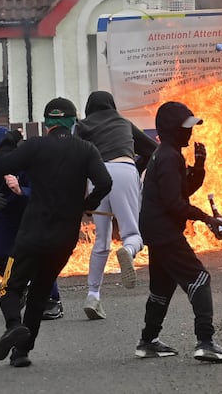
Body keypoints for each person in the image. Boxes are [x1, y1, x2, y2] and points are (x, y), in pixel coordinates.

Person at [0, 97, 112, 367]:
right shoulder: (86, 149)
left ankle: (12, 326)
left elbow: (0, 166)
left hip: (32, 234)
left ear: (47, 124)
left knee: (9, 288)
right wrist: (87, 205)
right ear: (73, 122)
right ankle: (21, 353)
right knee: (41, 293)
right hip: (64, 238)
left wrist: (10, 139)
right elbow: (105, 182)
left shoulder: (35, 146)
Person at [134, 101, 222, 363]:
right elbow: (174, 204)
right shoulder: (168, 157)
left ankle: (148, 341)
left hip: (156, 229)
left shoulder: (168, 154)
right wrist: (206, 219)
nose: (190, 132)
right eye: (186, 128)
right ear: (171, 129)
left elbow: (181, 192)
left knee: (161, 288)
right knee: (199, 278)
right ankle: (206, 342)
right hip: (164, 230)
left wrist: (199, 166)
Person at [75, 90, 158, 319]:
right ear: (111, 105)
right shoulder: (123, 122)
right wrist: (137, 169)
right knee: (132, 233)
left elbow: (78, 160)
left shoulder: (82, 126)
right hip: (124, 169)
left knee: (101, 240)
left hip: (97, 176)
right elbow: (153, 149)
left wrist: (82, 198)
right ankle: (128, 251)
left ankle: (93, 296)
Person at [0, 127, 64, 320]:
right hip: (5, 213)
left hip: (32, 211)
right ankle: (20, 286)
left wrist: (22, 190)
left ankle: (52, 300)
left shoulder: (29, 159)